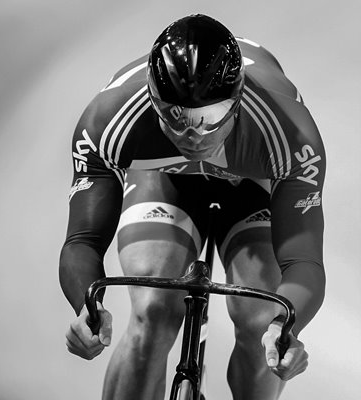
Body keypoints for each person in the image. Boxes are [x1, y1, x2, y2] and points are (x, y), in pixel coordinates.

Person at [59, 14, 325, 400]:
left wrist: (286, 325)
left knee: (260, 321)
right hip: (166, 181)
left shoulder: (289, 133)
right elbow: (82, 239)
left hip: (253, 182)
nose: (193, 135)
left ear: (237, 102)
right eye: (175, 116)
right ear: (152, 100)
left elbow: (303, 261)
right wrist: (87, 303)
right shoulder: (107, 122)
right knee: (152, 309)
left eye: (209, 118)